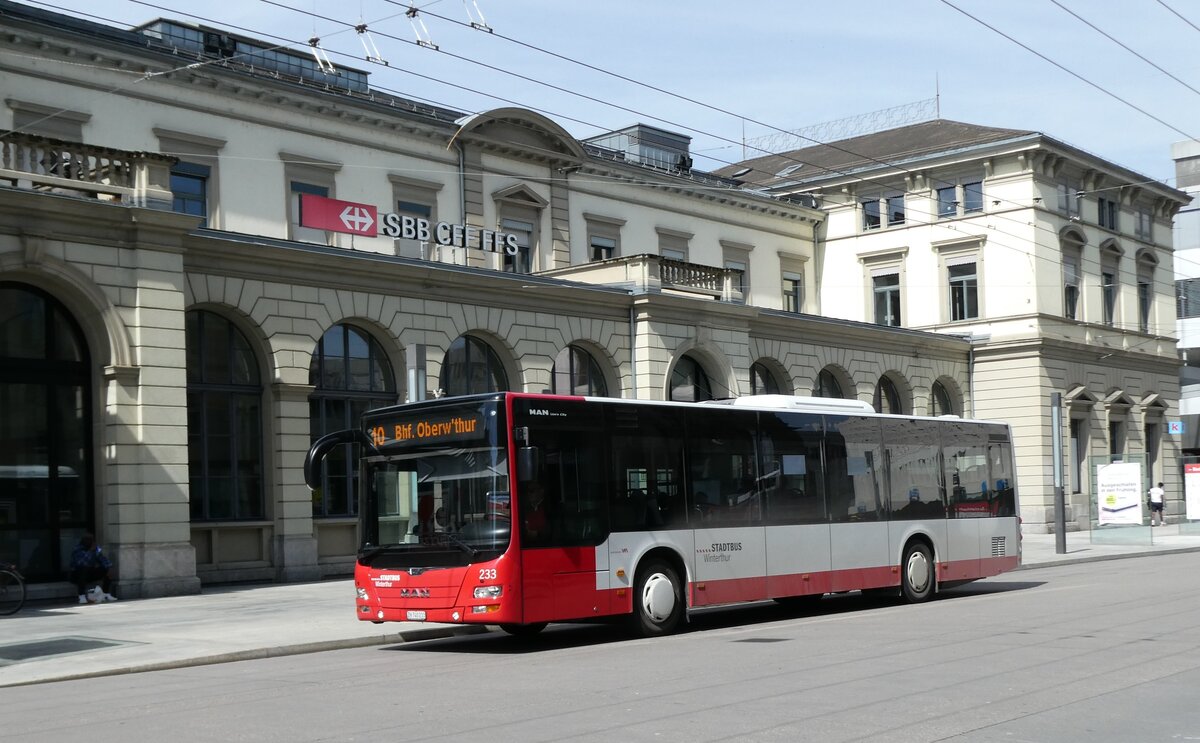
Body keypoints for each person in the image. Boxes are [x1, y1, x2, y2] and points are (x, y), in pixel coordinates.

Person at [70, 533, 117, 603]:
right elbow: (81, 563)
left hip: (89, 573)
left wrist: (109, 567)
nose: (89, 542)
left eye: (90, 540)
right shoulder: (77, 549)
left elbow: (103, 559)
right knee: (83, 569)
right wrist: (90, 551)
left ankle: (105, 594)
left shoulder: (95, 549)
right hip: (76, 574)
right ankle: (81, 596)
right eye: (87, 540)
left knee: (106, 569)